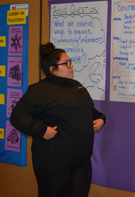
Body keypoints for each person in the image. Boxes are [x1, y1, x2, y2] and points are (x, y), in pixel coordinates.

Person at [10, 42, 106, 197]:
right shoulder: (39, 90)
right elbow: (17, 116)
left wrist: (101, 118)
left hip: (81, 162)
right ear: (52, 70)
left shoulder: (77, 87)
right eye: (66, 63)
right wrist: (41, 130)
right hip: (52, 162)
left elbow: (90, 111)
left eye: (70, 62)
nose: (71, 66)